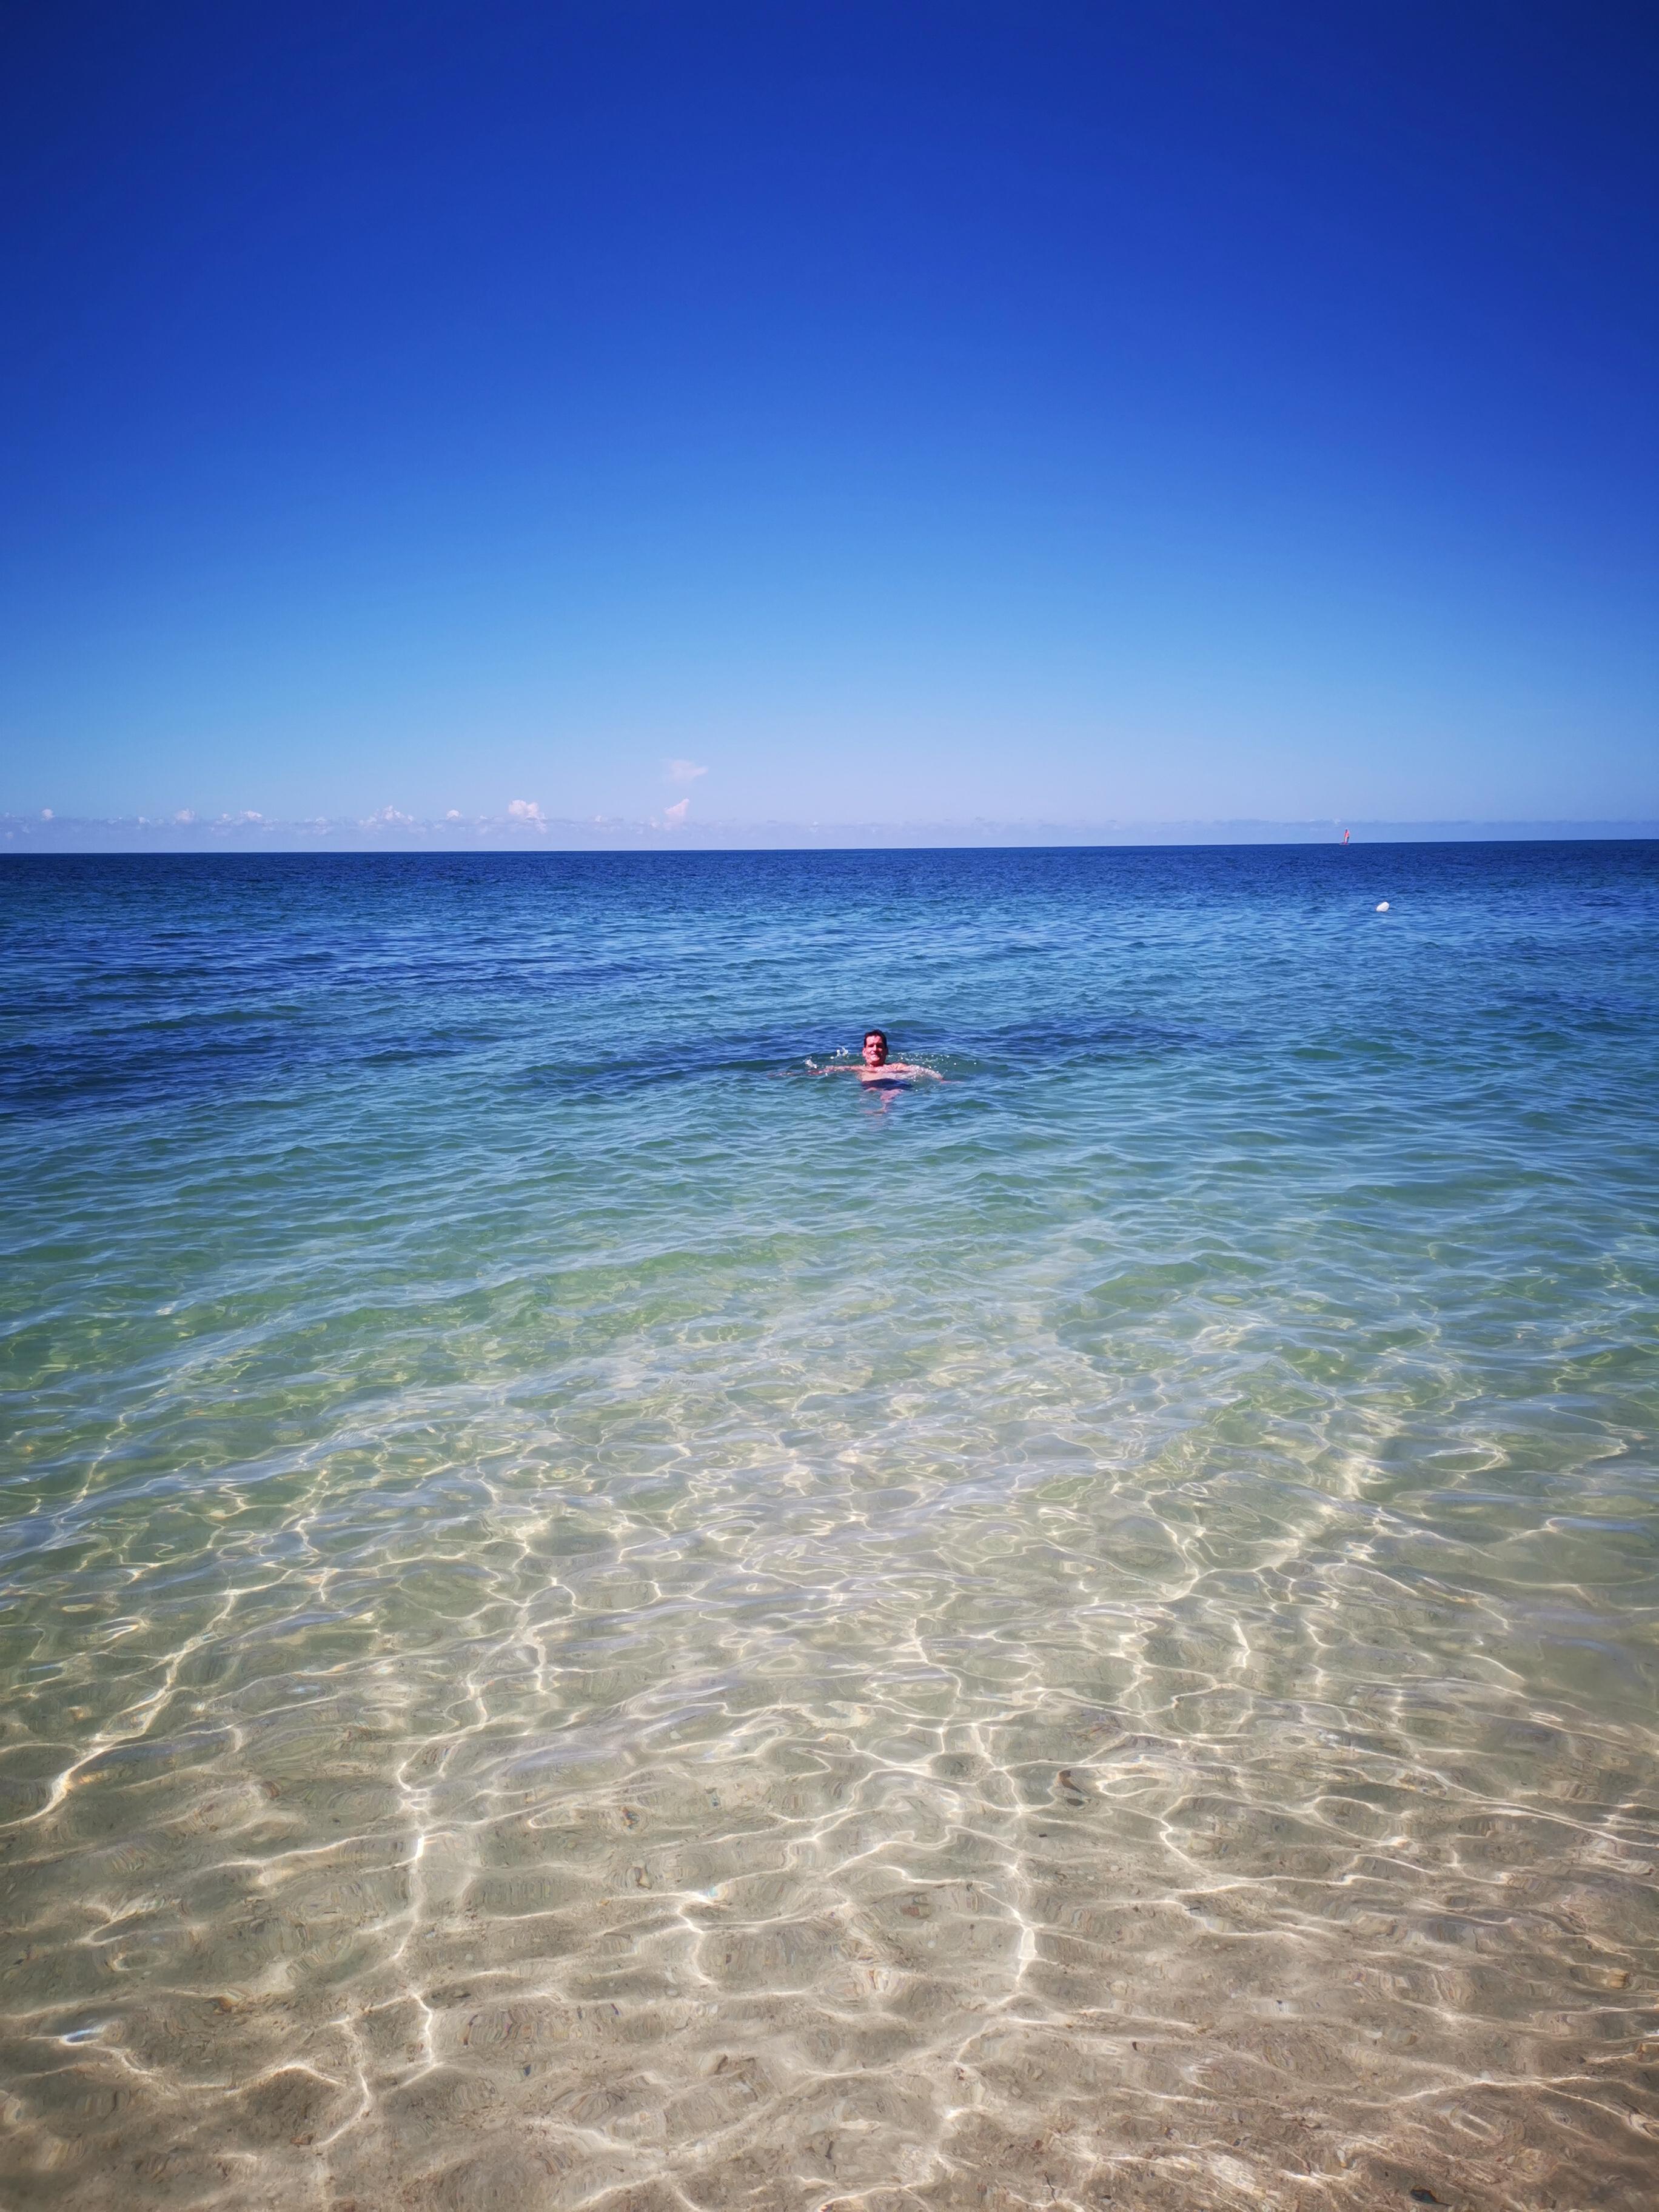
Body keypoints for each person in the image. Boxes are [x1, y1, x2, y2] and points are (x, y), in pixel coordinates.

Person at [816, 1030, 943, 1084]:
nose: (875, 1049)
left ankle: (884, 1111)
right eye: (871, 1046)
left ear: (886, 1051)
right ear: (864, 1052)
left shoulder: (897, 1066)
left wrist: (940, 1079)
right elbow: (831, 1069)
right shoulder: (858, 1068)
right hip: (870, 1088)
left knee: (888, 1094)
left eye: (880, 1046)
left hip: (894, 1086)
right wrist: (804, 1074)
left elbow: (920, 1070)